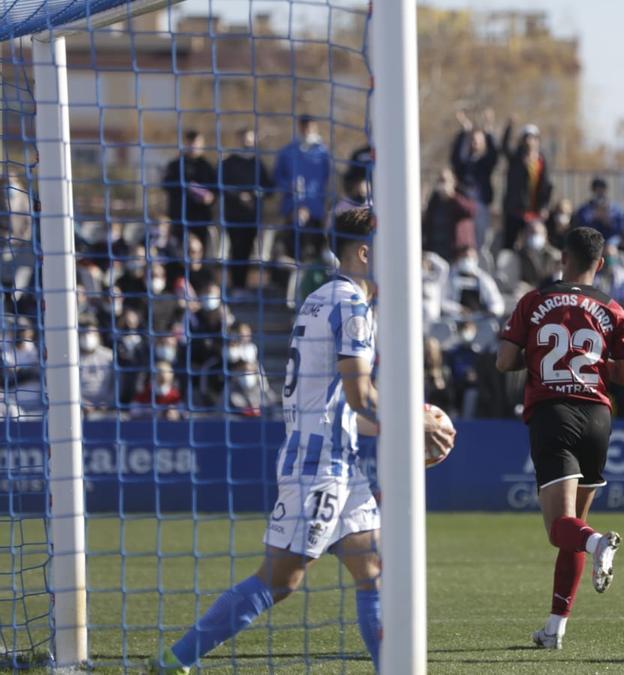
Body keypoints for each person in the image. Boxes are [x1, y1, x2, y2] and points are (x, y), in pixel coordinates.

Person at [149, 209, 456, 674]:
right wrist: (415, 424)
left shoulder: (321, 297)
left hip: (336, 461)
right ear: (366, 251)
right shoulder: (351, 306)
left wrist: (402, 435)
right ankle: (173, 661)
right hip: (319, 468)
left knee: (372, 571)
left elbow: (349, 409)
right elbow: (360, 395)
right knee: (279, 580)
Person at [495, 226, 624, 649]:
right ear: (601, 263)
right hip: (597, 416)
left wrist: (539, 355)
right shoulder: (611, 308)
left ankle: (599, 542)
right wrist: (594, 364)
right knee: (572, 525)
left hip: (553, 414)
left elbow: (505, 361)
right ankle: (555, 629)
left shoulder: (534, 301)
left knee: (562, 528)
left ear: (563, 259)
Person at [220, 128, 274, 289]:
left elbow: (268, 188)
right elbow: (221, 185)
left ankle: (242, 286)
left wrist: (257, 194)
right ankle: (236, 286)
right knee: (236, 250)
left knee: (248, 250)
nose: (247, 143)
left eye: (250, 140)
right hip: (233, 216)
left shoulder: (258, 164)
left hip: (252, 217)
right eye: (244, 139)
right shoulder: (228, 163)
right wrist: (238, 196)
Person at [274, 115, 332, 261]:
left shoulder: (323, 154)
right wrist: (289, 187)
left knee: (315, 254)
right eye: (305, 127)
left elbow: (328, 180)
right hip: (291, 212)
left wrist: (319, 208)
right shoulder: (287, 152)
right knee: (290, 253)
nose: (308, 131)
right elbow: (277, 177)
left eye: (311, 127)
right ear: (299, 128)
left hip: (316, 213)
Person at [450, 109, 499, 249]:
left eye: (478, 140)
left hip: (480, 206)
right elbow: (455, 158)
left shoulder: (485, 163)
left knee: (480, 241)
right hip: (464, 205)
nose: (475, 143)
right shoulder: (464, 163)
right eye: (472, 140)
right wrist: (464, 131)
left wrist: (489, 131)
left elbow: (494, 153)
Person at [500, 119, 552, 250]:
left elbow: (546, 186)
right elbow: (504, 147)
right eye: (526, 137)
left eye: (533, 137)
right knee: (509, 244)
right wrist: (509, 128)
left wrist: (544, 205)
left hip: (534, 211)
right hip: (515, 210)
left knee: (533, 244)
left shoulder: (541, 160)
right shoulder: (516, 158)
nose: (530, 141)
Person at [162, 130, 217, 249]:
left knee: (199, 251)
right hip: (180, 217)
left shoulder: (208, 167)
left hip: (201, 218)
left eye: (197, 143)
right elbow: (166, 185)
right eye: (191, 143)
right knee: (178, 252)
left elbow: (215, 191)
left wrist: (210, 198)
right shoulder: (175, 165)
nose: (194, 147)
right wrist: (187, 188)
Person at [421, 169, 475, 262]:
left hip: (455, 252)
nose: (442, 184)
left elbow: (470, 211)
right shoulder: (434, 201)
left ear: (453, 181)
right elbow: (427, 223)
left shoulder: (461, 195)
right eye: (440, 180)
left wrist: (452, 196)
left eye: (444, 180)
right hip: (436, 250)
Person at [571, 178, 624, 243]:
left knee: (610, 249)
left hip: (610, 238)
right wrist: (594, 217)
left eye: (603, 189)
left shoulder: (616, 208)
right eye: (597, 190)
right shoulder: (584, 209)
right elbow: (581, 227)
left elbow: (620, 229)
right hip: (591, 239)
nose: (600, 193)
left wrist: (609, 222)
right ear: (593, 191)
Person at [516, 220, 561, 287]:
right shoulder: (518, 255)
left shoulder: (555, 256)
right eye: (531, 232)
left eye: (538, 233)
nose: (535, 236)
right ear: (525, 235)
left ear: (545, 235)